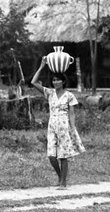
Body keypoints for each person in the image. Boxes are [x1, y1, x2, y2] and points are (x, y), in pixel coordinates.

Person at [31, 56, 85, 189]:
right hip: (52, 125)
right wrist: (42, 66)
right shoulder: (49, 93)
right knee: (51, 155)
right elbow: (33, 82)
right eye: (54, 80)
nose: (56, 82)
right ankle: (60, 176)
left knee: (63, 155)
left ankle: (63, 183)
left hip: (64, 126)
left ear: (63, 81)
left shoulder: (69, 95)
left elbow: (71, 113)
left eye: (58, 80)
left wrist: (72, 128)